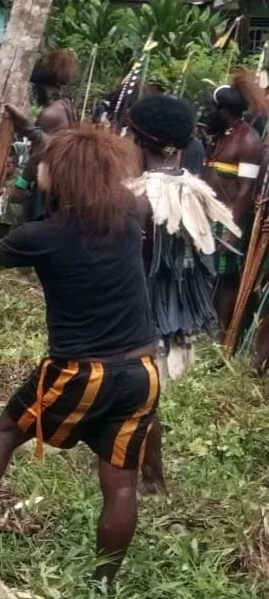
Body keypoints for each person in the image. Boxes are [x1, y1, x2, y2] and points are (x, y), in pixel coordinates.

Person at [0, 126, 158, 585]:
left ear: (59, 176)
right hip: (142, 372)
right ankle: (105, 582)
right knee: (118, 483)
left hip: (78, 371)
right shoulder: (134, 211)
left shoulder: (41, 235)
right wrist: (45, 135)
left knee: (6, 432)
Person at [125, 94, 235, 498]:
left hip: (142, 311)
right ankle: (145, 471)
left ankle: (151, 477)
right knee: (144, 394)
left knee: (141, 396)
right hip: (173, 311)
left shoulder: (140, 198)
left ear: (139, 140)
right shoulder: (194, 191)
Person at [201, 69, 268, 331]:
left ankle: (224, 333)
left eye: (212, 109)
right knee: (208, 274)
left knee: (227, 278)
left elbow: (246, 190)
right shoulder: (222, 136)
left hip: (227, 218)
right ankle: (208, 327)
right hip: (207, 216)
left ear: (223, 111)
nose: (208, 114)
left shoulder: (248, 141)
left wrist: (231, 228)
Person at [5, 48, 80, 224]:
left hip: (47, 185)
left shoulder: (49, 113)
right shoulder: (68, 105)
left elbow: (41, 152)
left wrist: (21, 185)